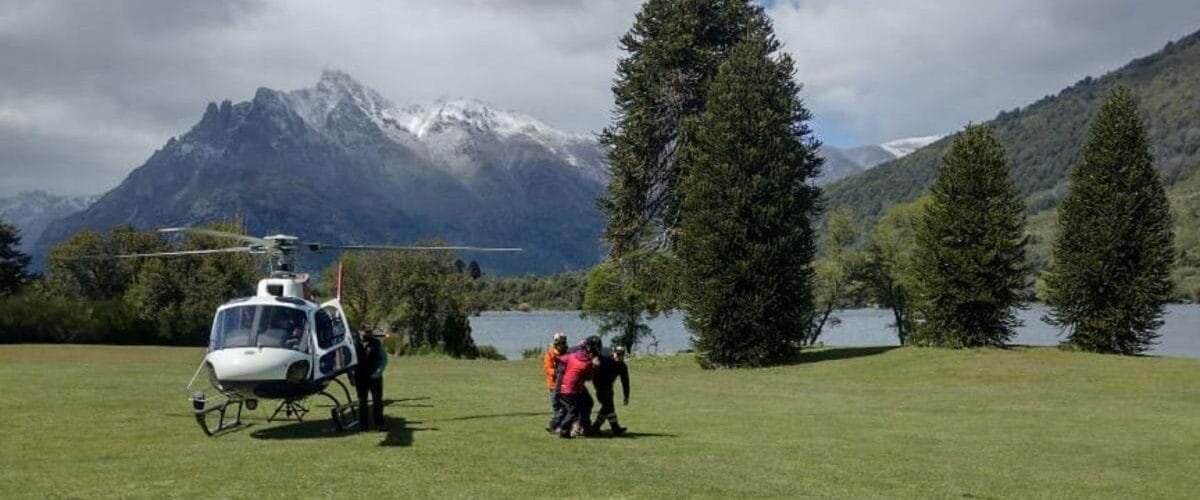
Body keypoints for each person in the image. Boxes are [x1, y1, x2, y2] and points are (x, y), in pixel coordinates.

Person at [557, 335, 601, 438]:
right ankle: (568, 428)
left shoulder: (575, 354)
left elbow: (562, 359)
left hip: (571, 384)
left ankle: (582, 427)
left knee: (586, 403)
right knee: (574, 409)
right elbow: (589, 378)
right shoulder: (586, 361)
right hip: (571, 387)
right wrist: (594, 366)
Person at [354, 324, 388, 431]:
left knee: (377, 401)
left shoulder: (377, 343)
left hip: (375, 376)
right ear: (360, 331)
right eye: (367, 331)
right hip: (360, 376)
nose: (369, 333)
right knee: (362, 402)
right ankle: (363, 426)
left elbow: (383, 359)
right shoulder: (354, 343)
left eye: (370, 331)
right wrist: (350, 376)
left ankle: (379, 424)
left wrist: (378, 372)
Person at [592, 345, 630, 436]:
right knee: (607, 406)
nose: (619, 356)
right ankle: (596, 427)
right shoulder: (605, 357)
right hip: (599, 384)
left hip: (608, 386)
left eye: (621, 355)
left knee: (609, 407)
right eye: (617, 354)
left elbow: (625, 381)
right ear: (614, 353)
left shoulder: (622, 366)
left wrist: (626, 396)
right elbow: (595, 351)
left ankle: (614, 428)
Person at [542, 332, 569, 433]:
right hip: (554, 385)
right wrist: (557, 372)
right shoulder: (550, 354)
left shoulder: (568, 352)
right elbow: (547, 369)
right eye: (560, 343)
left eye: (563, 343)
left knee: (565, 407)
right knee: (557, 406)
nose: (562, 345)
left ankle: (560, 425)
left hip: (566, 384)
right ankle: (556, 426)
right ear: (556, 343)